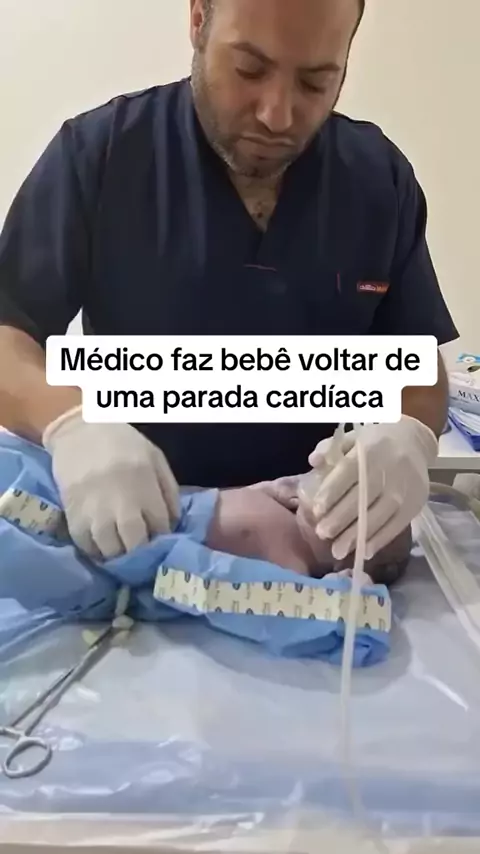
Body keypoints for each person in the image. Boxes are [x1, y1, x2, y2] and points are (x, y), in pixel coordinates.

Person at [0, 0, 458, 563]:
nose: (277, 115)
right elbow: (8, 337)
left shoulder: (376, 180)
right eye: (249, 69)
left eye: (315, 82)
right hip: (138, 521)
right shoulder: (102, 154)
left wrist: (409, 433)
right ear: (198, 21)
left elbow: (418, 364)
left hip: (306, 529)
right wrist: (71, 425)